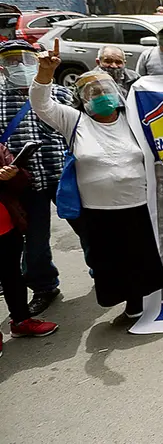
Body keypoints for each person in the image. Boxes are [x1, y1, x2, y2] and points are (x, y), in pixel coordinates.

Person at [31, 41, 163, 319]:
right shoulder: (75, 121)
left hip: (138, 205)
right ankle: (124, 299)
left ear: (116, 93)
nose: (100, 95)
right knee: (109, 262)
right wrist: (45, 73)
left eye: (105, 90)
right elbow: (41, 105)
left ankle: (140, 304)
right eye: (92, 92)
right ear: (83, 98)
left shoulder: (135, 119)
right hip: (98, 211)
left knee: (141, 257)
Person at [0, 40, 89, 315]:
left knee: (87, 229)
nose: (19, 66)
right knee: (35, 242)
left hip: (64, 176)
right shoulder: (0, 101)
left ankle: (104, 273)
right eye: (10, 61)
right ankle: (44, 287)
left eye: (24, 59)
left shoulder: (60, 94)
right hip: (25, 182)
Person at [0, 139, 59, 353]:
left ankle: (21, 321)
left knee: (12, 276)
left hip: (6, 224)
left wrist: (13, 173)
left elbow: (21, 184)